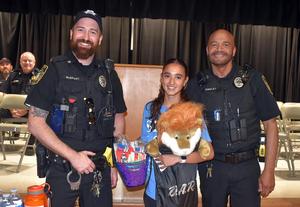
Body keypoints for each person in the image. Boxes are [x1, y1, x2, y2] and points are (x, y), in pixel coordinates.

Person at [25, 9, 126, 207]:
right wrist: (73, 156)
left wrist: (113, 162)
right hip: (61, 167)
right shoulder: (55, 69)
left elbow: (118, 118)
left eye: (93, 32)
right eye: (81, 30)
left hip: (99, 168)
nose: (86, 37)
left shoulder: (109, 74)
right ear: (71, 33)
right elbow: (35, 123)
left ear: (100, 38)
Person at [186, 29, 280, 207]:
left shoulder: (252, 79)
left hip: (247, 167)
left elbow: (271, 125)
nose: (219, 48)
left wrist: (269, 170)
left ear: (234, 50)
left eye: (225, 44)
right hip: (211, 167)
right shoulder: (196, 84)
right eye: (214, 44)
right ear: (207, 50)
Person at [141, 58, 214, 207]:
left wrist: (178, 158)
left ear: (185, 81)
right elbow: (145, 144)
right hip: (153, 190)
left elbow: (209, 153)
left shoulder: (192, 112)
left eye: (178, 77)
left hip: (180, 192)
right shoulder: (150, 108)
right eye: (167, 76)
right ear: (161, 78)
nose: (171, 82)